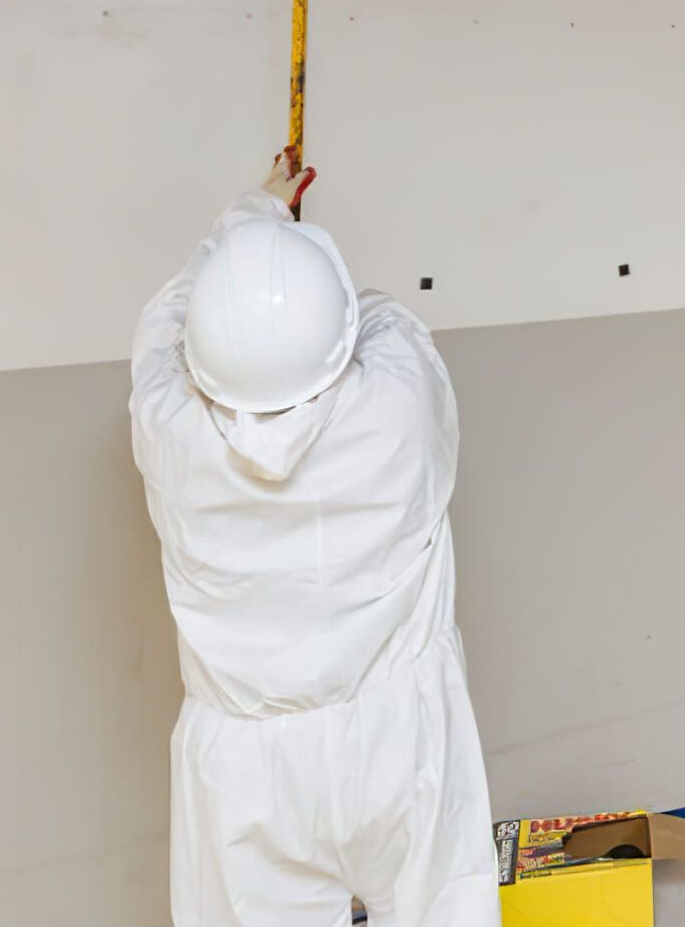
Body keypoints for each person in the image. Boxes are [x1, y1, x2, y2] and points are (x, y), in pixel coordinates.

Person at [129, 149, 498, 927]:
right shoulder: (396, 406)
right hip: (400, 730)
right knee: (442, 906)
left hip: (246, 769)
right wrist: (294, 255)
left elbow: (164, 322)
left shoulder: (169, 431)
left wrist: (250, 214)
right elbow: (388, 318)